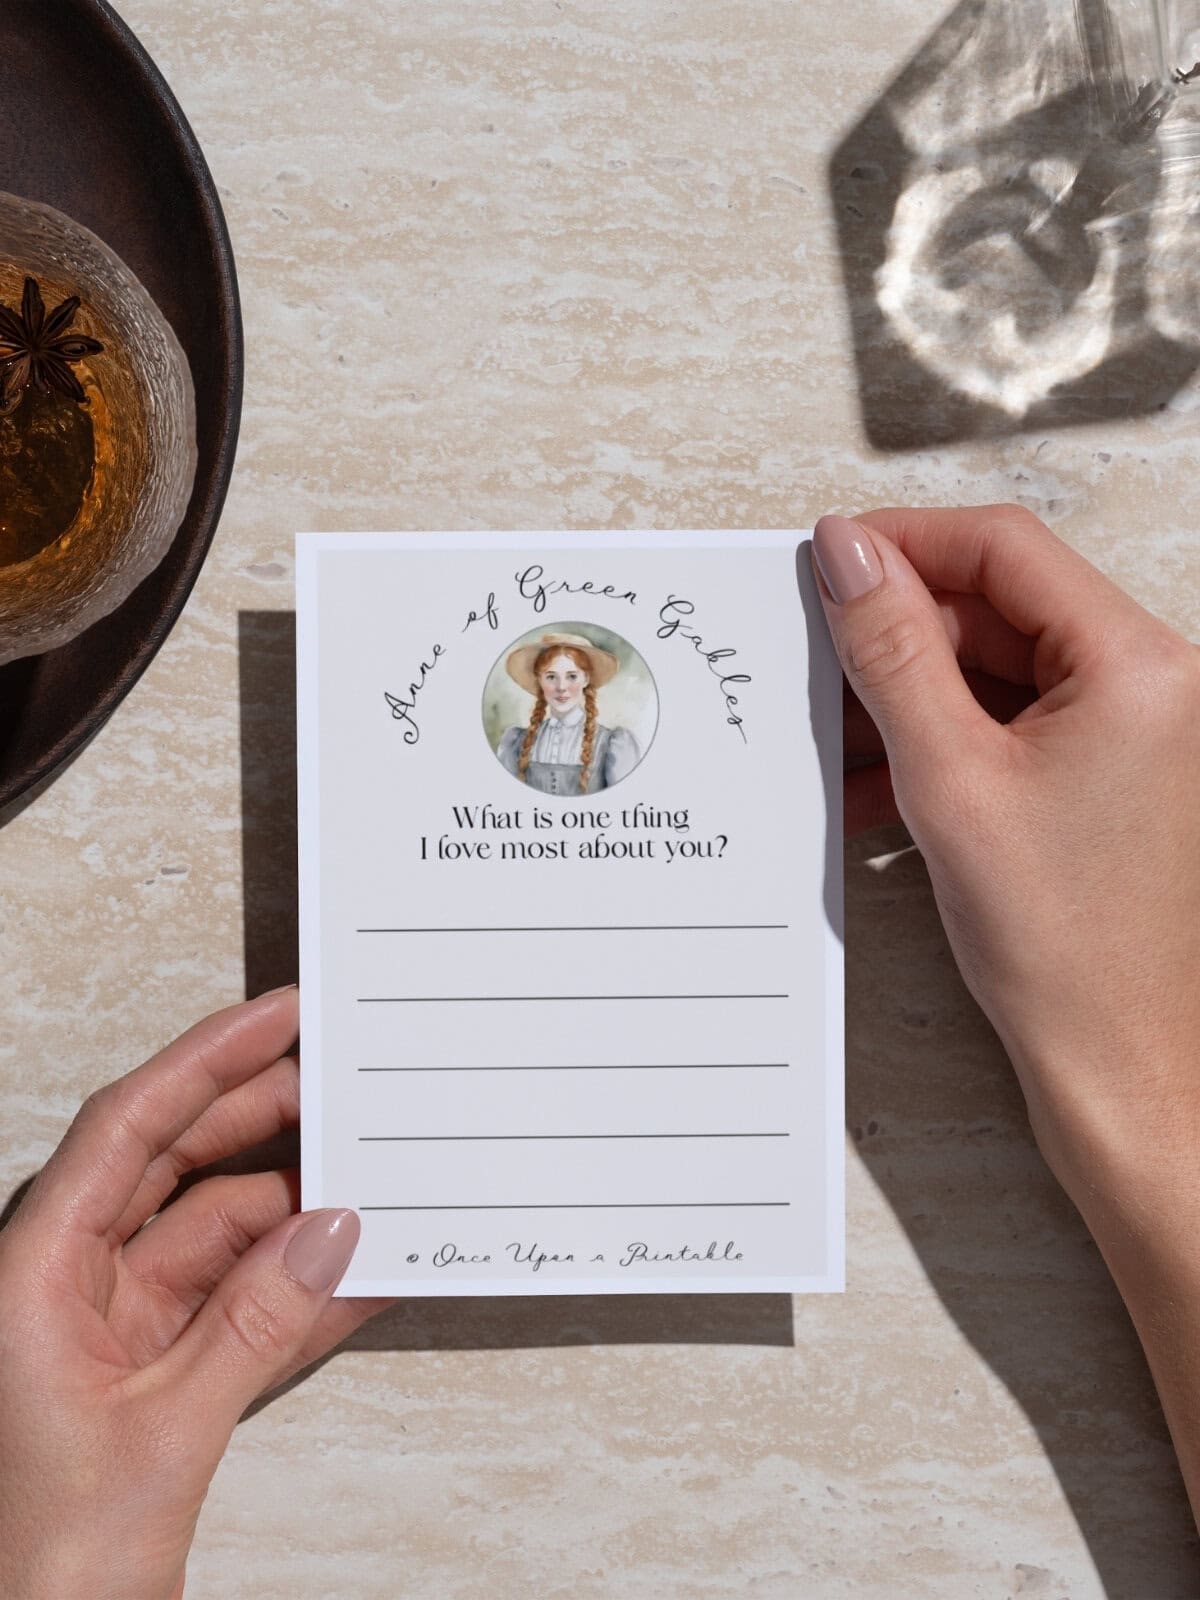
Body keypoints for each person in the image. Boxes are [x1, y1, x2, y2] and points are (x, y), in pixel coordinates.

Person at [0, 504, 1195, 1597]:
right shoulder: (519, 739)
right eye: (555, 671)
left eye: (578, 670)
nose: (567, 680)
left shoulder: (616, 747)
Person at [495, 631, 641, 794]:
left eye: (572, 676)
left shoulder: (613, 743)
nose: (561, 687)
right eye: (551, 677)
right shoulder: (515, 742)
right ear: (539, 680)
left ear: (586, 679)